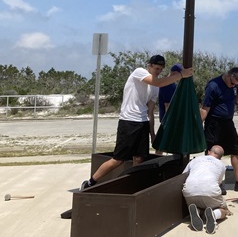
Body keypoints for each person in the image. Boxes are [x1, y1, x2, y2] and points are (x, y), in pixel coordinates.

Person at [80, 55, 192, 190]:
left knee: (139, 159)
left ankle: (132, 185)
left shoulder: (155, 87)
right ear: (149, 65)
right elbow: (157, 82)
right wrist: (180, 75)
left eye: (161, 69)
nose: (158, 72)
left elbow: (150, 112)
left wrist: (152, 133)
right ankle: (91, 182)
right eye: (156, 68)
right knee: (118, 159)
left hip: (142, 122)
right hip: (128, 121)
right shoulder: (139, 72)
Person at [200, 67, 238, 193]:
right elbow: (205, 108)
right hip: (213, 123)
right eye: (232, 83)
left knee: (235, 149)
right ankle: (215, 183)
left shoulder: (236, 86)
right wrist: (198, 125)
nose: (233, 86)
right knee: (213, 152)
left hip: (228, 122)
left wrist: (236, 103)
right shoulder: (213, 86)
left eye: (235, 84)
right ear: (228, 76)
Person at [182, 145, 229, 234]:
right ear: (220, 157)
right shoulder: (221, 165)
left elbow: (183, 175)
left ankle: (198, 211)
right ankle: (214, 215)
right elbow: (218, 183)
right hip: (209, 191)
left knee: (200, 203)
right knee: (224, 209)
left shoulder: (194, 160)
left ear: (208, 152)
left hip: (189, 192)